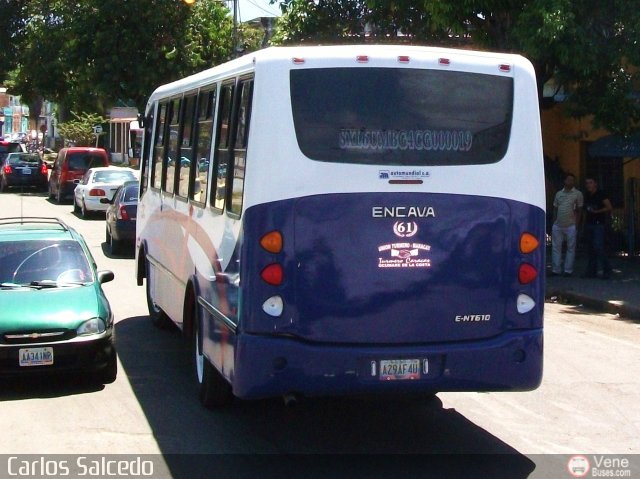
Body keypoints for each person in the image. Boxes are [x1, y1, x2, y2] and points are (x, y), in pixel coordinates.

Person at [551, 173, 583, 276]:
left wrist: (576, 224)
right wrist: (554, 222)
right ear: (564, 181)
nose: (571, 182)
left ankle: (568, 270)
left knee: (570, 248)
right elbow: (555, 208)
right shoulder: (558, 194)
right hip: (558, 225)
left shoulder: (578, 194)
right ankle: (556, 270)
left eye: (572, 180)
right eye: (569, 180)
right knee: (556, 248)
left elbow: (579, 210)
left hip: (571, 225)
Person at [583, 177, 613, 279]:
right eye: (587, 183)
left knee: (598, 246)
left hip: (599, 224)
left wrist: (597, 211)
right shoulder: (587, 195)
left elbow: (609, 207)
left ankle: (607, 269)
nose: (588, 185)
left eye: (590, 183)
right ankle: (592, 271)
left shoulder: (601, 194)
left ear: (595, 184)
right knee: (591, 248)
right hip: (589, 223)